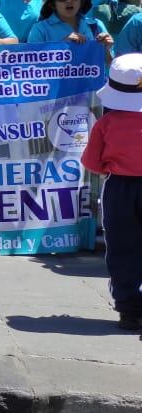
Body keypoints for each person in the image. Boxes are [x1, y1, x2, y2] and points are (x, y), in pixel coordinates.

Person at [81, 53, 142, 332]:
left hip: (120, 189)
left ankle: (129, 310)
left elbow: (91, 163)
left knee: (123, 248)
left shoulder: (106, 123)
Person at [28, 0, 114, 62]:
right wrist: (62, 48)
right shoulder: (40, 29)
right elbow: (32, 68)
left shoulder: (96, 25)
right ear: (52, 4)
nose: (69, 0)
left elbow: (110, 67)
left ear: (81, 1)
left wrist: (106, 49)